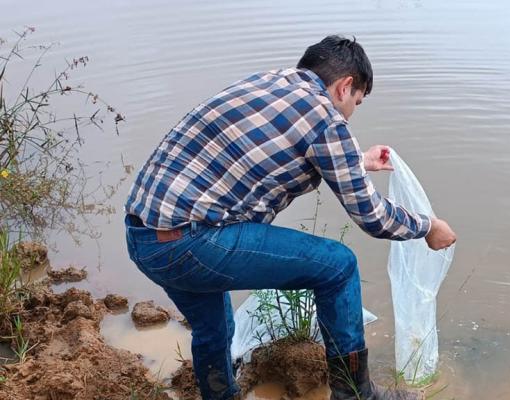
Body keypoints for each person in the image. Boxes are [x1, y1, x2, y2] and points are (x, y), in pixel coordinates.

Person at [123, 35, 457, 400]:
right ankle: (357, 395)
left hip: (145, 238)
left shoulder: (268, 82)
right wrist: (427, 226)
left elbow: (270, 152)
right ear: (345, 86)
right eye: (356, 102)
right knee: (338, 266)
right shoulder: (326, 119)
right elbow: (373, 217)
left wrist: (356, 161)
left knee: (215, 328)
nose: (351, 112)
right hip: (192, 242)